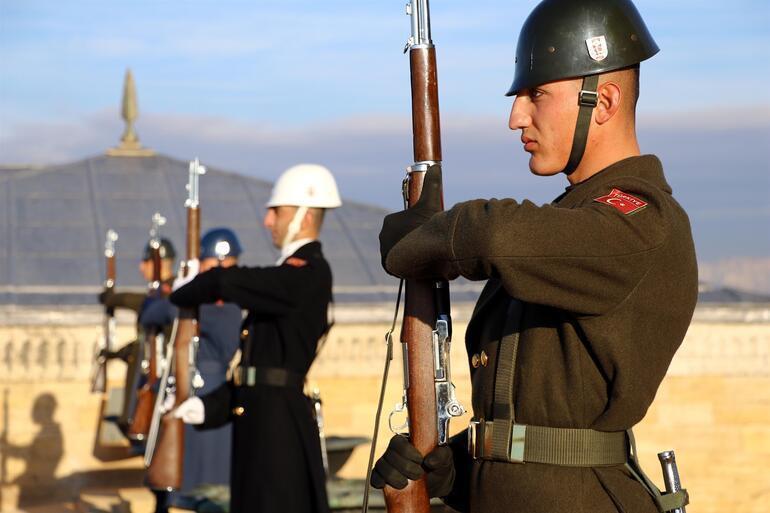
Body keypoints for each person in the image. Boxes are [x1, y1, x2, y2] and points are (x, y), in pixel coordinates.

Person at [372, 1, 697, 512]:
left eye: (536, 94)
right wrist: (457, 469)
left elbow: (494, 236)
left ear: (604, 101)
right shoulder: (570, 226)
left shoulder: (641, 217)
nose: (515, 117)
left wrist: (428, 236)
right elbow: (535, 406)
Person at [170, 164, 341, 513]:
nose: (267, 221)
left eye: (276, 211)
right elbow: (258, 369)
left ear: (305, 216)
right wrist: (210, 406)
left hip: (279, 428)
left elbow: (227, 282)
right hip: (261, 420)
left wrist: (188, 288)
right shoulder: (285, 279)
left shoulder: (308, 272)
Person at [170, 228, 243, 509]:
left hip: (211, 393)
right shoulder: (205, 302)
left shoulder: (227, 305)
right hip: (189, 385)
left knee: (211, 485)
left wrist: (188, 294)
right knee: (184, 480)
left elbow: (225, 342)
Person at [98, 237, 177, 436]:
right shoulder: (157, 292)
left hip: (163, 376)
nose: (141, 268)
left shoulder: (171, 291)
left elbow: (147, 306)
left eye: (146, 262)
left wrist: (115, 299)